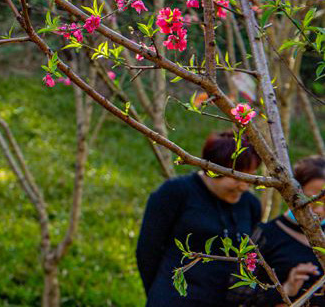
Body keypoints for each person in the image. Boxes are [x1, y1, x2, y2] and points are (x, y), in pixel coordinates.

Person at [136, 130, 263, 306]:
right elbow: (147, 250)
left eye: (249, 178)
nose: (243, 186)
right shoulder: (175, 192)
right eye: (237, 177)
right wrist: (158, 292)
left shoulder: (251, 205)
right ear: (213, 170)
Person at [233, 155, 325, 306]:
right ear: (292, 194)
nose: (319, 210)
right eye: (310, 200)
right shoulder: (265, 235)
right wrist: (286, 289)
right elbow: (237, 295)